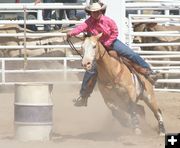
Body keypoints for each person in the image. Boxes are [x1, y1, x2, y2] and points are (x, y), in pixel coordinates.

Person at [67, 2, 159, 107]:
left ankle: (149, 72)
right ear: (90, 13)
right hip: (97, 47)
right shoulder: (89, 22)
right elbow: (81, 28)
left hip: (111, 43)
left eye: (97, 12)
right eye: (93, 12)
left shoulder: (108, 21)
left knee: (131, 54)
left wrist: (108, 42)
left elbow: (115, 32)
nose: (95, 14)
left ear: (100, 11)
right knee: (91, 70)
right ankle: (83, 96)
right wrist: (71, 33)